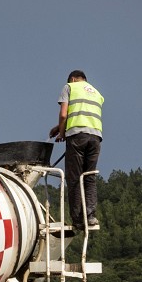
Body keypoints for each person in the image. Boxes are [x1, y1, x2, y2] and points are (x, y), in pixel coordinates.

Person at [47, 70, 104, 230]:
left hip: (77, 137)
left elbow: (64, 114)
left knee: (74, 177)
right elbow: (81, 114)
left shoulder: (69, 87)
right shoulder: (96, 93)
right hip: (95, 137)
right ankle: (91, 217)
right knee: (89, 177)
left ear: (72, 79)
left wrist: (63, 133)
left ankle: (78, 219)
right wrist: (59, 128)